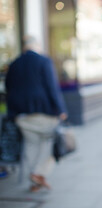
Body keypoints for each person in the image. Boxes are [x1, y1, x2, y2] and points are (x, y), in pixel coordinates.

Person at [5, 35, 67, 192]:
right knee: (50, 143)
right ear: (36, 46)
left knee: (31, 145)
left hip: (21, 115)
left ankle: (34, 179)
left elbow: (8, 89)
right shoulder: (44, 61)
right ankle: (38, 174)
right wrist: (61, 109)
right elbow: (52, 87)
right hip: (43, 113)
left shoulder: (13, 64)